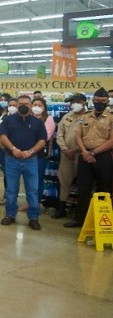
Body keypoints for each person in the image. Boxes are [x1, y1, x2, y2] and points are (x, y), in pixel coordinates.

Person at [64, 88, 113, 228]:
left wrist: (94, 153)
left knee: (103, 190)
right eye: (97, 101)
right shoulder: (84, 117)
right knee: (83, 189)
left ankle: (101, 222)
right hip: (84, 156)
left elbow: (111, 140)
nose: (99, 103)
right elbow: (78, 135)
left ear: (107, 102)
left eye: (103, 101)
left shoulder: (111, 118)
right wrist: (85, 152)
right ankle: (79, 220)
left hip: (103, 157)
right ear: (93, 100)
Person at [0, 95, 47, 230]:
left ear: (31, 106)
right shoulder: (8, 120)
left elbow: (42, 140)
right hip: (12, 159)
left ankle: (33, 217)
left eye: (26, 103)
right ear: (16, 105)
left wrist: (30, 151)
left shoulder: (38, 122)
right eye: (20, 104)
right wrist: (13, 149)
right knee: (11, 190)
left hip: (31, 160)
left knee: (32, 190)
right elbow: (2, 136)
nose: (23, 105)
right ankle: (10, 214)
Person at [54, 93, 86, 219]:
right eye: (72, 102)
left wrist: (76, 149)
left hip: (82, 155)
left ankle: (80, 213)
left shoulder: (89, 117)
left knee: (83, 184)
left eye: (77, 101)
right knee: (64, 182)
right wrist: (65, 149)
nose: (74, 104)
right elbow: (59, 135)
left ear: (83, 102)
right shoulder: (67, 117)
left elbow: (88, 137)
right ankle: (61, 209)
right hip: (66, 156)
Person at [27, 97, 55, 210]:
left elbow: (46, 136)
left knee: (37, 179)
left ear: (44, 108)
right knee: (28, 180)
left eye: (40, 105)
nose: (37, 107)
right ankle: (29, 202)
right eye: (35, 105)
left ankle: (35, 203)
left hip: (40, 154)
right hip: (26, 154)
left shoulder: (48, 119)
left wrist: (28, 142)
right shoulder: (27, 118)